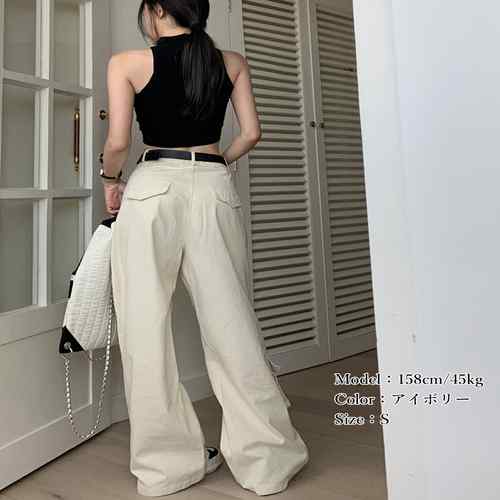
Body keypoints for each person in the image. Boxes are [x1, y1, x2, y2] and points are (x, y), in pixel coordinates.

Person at [100, 0, 309, 496]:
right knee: (231, 324)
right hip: (213, 186)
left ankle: (165, 469)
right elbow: (252, 133)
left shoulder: (128, 62)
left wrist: (110, 180)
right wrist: (219, 164)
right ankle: (267, 463)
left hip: (152, 189)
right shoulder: (231, 62)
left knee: (144, 328)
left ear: (156, 9)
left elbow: (118, 141)